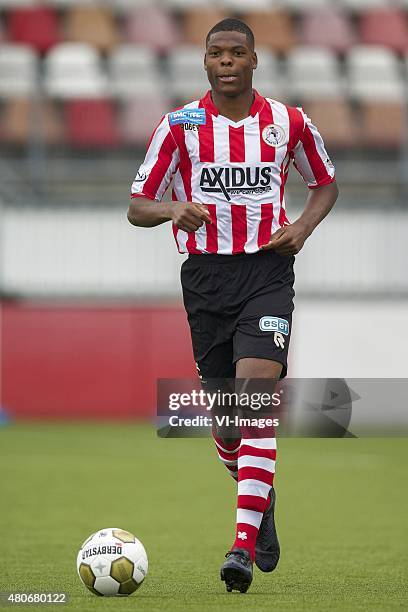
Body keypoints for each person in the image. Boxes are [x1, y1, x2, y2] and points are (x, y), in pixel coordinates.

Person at [127, 18, 339, 593]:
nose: (226, 62)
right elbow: (137, 204)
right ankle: (260, 498)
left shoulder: (289, 123)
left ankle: (240, 547)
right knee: (227, 423)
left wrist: (302, 227)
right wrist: (174, 210)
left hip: (268, 271)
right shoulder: (179, 127)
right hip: (206, 278)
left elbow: (325, 183)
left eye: (236, 52)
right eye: (216, 53)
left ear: (253, 59)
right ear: (204, 62)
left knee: (254, 402)